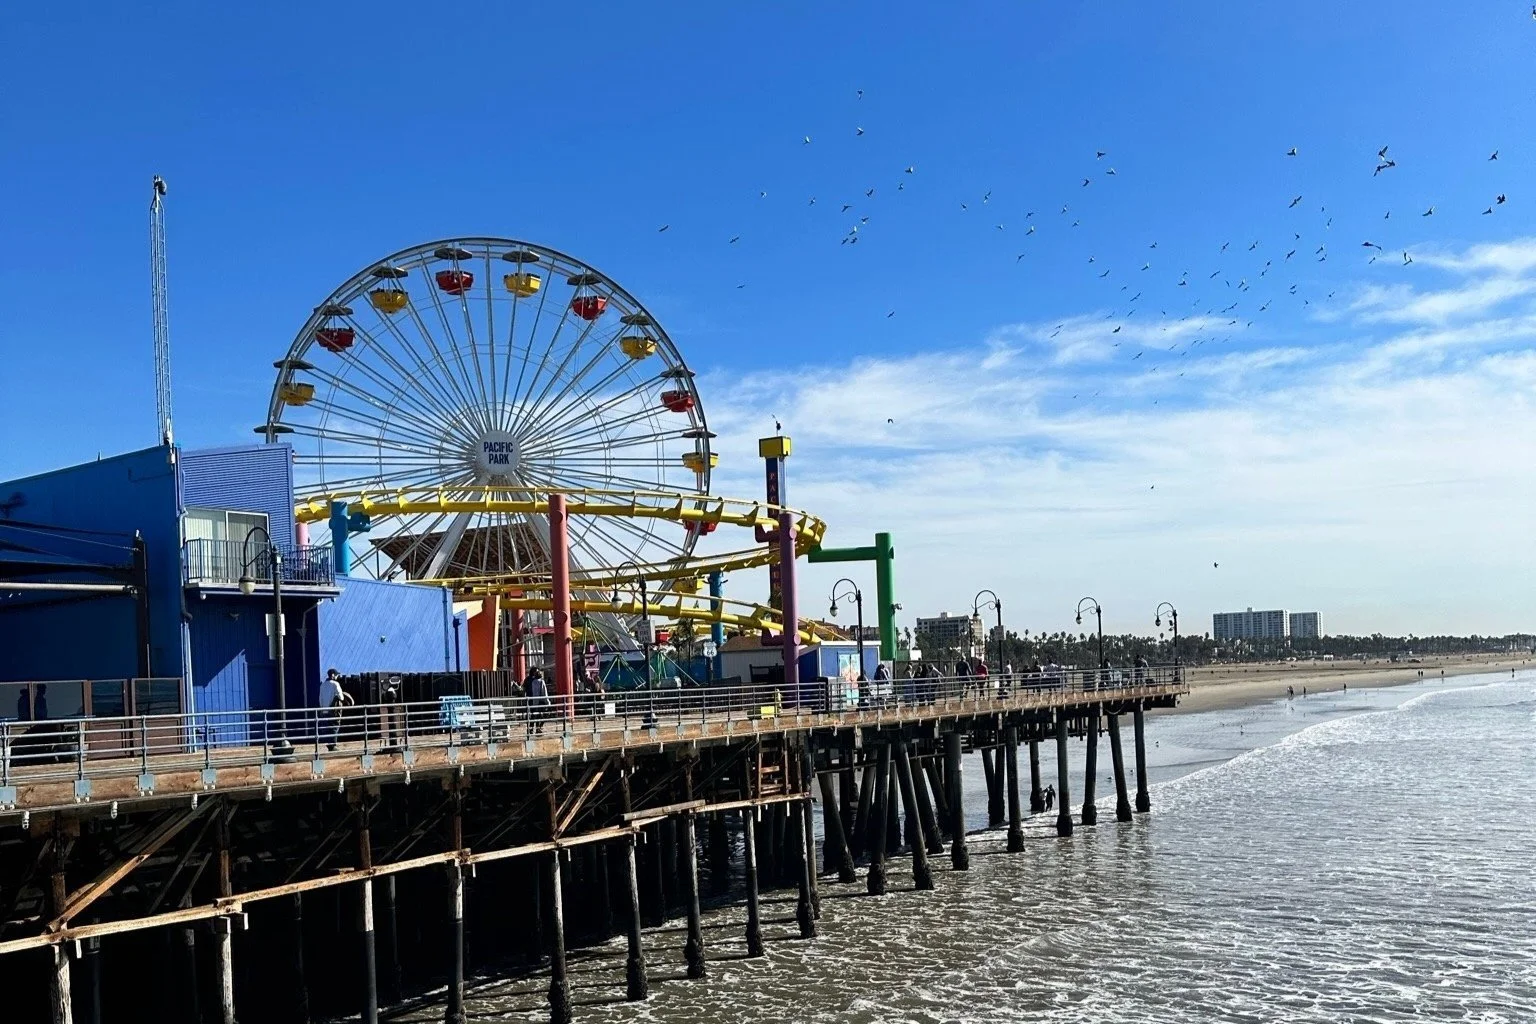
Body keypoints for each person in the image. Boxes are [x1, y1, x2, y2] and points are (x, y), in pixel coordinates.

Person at [320, 669, 354, 751]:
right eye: (336, 675)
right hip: (334, 710)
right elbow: (341, 697)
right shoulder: (335, 684)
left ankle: (330, 744)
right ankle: (333, 745)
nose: (337, 676)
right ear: (333, 675)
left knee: (328, 727)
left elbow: (320, 699)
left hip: (324, 709)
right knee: (335, 727)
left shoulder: (322, 685)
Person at [525, 667, 550, 735]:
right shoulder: (538, 681)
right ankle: (536, 728)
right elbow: (544, 692)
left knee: (534, 715)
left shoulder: (530, 680)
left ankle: (532, 729)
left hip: (532, 699)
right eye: (536, 671)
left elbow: (525, 688)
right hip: (533, 699)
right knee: (536, 715)